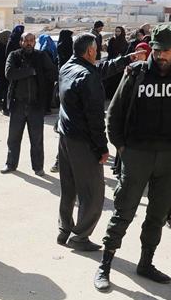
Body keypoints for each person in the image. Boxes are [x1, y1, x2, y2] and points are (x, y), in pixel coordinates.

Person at [94, 24, 171, 290]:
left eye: (165, 50)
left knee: (157, 215)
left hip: (169, 156)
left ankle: (146, 262)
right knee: (123, 211)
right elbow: (115, 113)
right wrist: (121, 147)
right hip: (137, 154)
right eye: (156, 50)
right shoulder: (137, 73)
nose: (160, 55)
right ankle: (105, 265)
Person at [56, 33, 145, 249]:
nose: (98, 52)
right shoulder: (88, 77)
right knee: (93, 193)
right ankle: (80, 237)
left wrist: (127, 58)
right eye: (96, 49)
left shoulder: (68, 67)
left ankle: (64, 230)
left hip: (65, 138)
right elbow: (95, 119)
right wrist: (102, 148)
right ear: (89, 52)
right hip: (82, 142)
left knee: (69, 188)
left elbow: (98, 70)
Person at [0, 32, 58, 176]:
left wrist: (42, 78)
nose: (29, 43)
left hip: (36, 105)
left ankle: (38, 167)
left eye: (32, 41)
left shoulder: (41, 56)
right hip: (17, 104)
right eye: (26, 40)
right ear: (21, 42)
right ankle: (10, 164)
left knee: (37, 139)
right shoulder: (14, 55)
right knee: (13, 138)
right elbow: (9, 73)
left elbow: (53, 73)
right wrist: (31, 71)